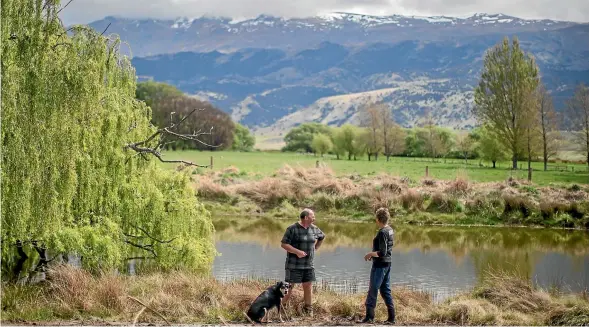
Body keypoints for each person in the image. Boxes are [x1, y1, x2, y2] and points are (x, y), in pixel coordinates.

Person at [280, 208, 325, 317]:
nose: (314, 218)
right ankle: (281, 308)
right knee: (288, 286)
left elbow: (322, 236)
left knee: (308, 285)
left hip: (308, 265)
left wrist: (316, 247)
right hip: (293, 264)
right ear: (306, 217)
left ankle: (308, 310)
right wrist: (297, 252)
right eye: (312, 216)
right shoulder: (292, 229)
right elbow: (284, 244)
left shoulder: (314, 229)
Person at [359, 207, 395, 324]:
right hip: (387, 264)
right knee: (385, 290)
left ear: (378, 219)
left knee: (373, 290)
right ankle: (391, 318)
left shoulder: (382, 232)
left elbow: (382, 252)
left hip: (380, 266)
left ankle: (369, 317)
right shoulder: (390, 229)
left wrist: (370, 254)